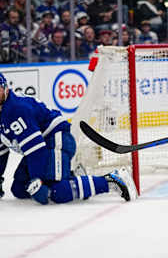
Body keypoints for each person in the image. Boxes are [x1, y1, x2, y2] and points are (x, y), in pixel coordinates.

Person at [0, 73, 137, 203]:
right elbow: (1, 152)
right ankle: (75, 177)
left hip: (56, 139)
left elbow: (36, 150)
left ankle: (112, 180)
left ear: (5, 87)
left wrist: (37, 179)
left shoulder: (15, 110)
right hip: (42, 147)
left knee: (57, 191)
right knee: (19, 189)